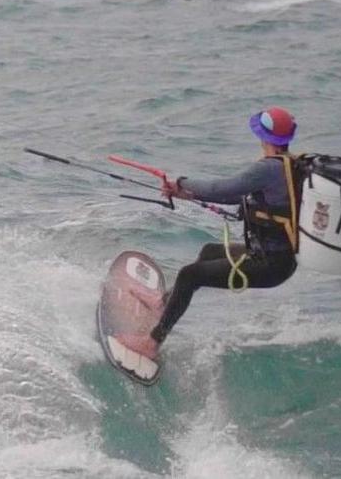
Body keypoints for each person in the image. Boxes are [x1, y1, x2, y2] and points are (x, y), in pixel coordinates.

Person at [119, 107, 301, 358]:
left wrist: (181, 184)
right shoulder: (291, 166)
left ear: (263, 137)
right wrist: (189, 194)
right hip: (277, 258)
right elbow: (241, 197)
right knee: (209, 252)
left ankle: (152, 343)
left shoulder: (268, 169)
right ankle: (162, 304)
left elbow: (222, 188)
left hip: (269, 265)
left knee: (189, 275)